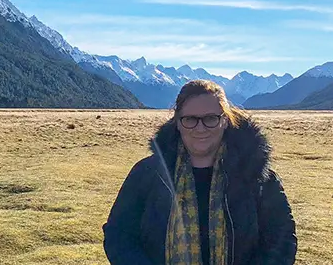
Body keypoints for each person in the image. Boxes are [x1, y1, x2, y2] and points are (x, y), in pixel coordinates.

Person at [102, 79, 297, 264]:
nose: (200, 128)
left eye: (211, 118)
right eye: (190, 119)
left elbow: (282, 241)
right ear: (178, 123)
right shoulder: (148, 173)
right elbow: (119, 235)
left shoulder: (257, 176)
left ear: (225, 121)